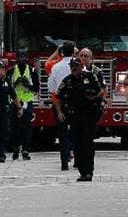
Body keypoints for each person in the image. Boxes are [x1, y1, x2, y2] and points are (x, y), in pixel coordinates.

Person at [55, 57, 104, 182]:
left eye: (76, 65)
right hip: (74, 116)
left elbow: (101, 91)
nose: (73, 68)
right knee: (77, 145)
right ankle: (82, 172)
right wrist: (59, 112)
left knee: (88, 144)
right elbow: (58, 96)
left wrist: (93, 98)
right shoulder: (67, 81)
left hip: (88, 115)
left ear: (81, 66)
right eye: (72, 66)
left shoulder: (91, 77)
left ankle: (89, 172)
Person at [47, 41, 75, 170]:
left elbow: (52, 89)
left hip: (60, 104)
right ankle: (78, 160)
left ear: (62, 52)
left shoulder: (55, 67)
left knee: (62, 133)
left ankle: (64, 161)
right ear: (74, 51)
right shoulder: (80, 66)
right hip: (77, 104)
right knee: (77, 131)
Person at [8, 49, 39, 160]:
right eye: (19, 57)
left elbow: (36, 88)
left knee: (27, 127)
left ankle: (26, 149)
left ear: (27, 58)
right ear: (16, 58)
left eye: (23, 57)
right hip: (15, 102)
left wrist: (28, 85)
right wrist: (15, 83)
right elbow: (7, 87)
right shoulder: (11, 71)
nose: (21, 59)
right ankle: (16, 148)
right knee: (14, 127)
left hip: (27, 101)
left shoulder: (32, 71)